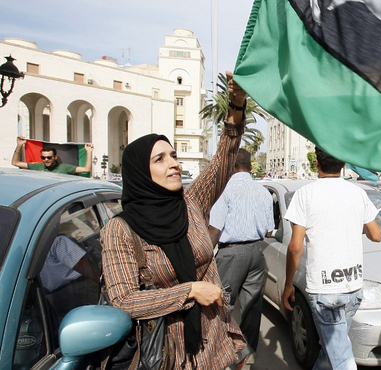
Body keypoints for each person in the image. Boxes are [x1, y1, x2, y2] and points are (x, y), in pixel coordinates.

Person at [100, 71, 249, 370]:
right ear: (140, 173)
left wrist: (236, 104)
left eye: (174, 156)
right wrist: (189, 290)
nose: (175, 164)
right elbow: (124, 299)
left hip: (216, 346)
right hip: (168, 354)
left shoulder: (190, 204)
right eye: (160, 159)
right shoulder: (120, 230)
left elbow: (223, 159)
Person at [282, 147, 381, 370]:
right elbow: (377, 235)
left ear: (316, 162)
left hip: (326, 290)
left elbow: (296, 247)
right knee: (334, 351)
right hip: (353, 288)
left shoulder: (305, 194)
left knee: (340, 359)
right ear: (344, 165)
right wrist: (360, 224)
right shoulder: (358, 193)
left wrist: (288, 284)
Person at [208, 148, 274, 358]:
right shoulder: (262, 191)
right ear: (250, 167)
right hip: (256, 254)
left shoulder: (225, 191)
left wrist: (203, 259)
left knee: (223, 302)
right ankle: (246, 353)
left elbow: (215, 230)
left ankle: (221, 349)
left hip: (231, 256)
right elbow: (269, 230)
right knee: (252, 306)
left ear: (231, 168)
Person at [12, 137, 94, 175]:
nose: (46, 160)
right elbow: (15, 163)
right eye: (43, 158)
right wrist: (19, 145)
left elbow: (86, 169)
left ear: (55, 157)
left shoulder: (65, 168)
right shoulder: (38, 166)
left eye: (49, 157)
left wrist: (89, 152)